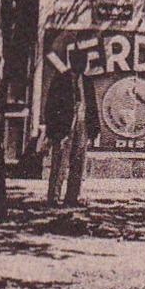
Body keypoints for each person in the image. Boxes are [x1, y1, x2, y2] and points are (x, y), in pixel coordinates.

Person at [43, 64, 88, 205]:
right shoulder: (60, 80)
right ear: (73, 60)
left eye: (84, 60)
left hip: (82, 125)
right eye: (79, 60)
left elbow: (92, 107)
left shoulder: (87, 81)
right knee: (59, 163)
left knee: (78, 162)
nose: (83, 63)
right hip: (64, 127)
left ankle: (72, 197)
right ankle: (54, 197)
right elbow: (51, 105)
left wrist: (94, 130)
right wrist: (52, 129)